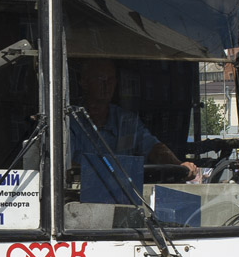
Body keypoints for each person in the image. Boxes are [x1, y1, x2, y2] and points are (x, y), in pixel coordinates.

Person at [68, 58, 198, 179]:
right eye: (101, 78)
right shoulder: (70, 120)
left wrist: (179, 166)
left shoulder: (126, 120)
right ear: (84, 82)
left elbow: (154, 148)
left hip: (127, 196)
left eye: (111, 79)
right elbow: (66, 166)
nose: (107, 85)